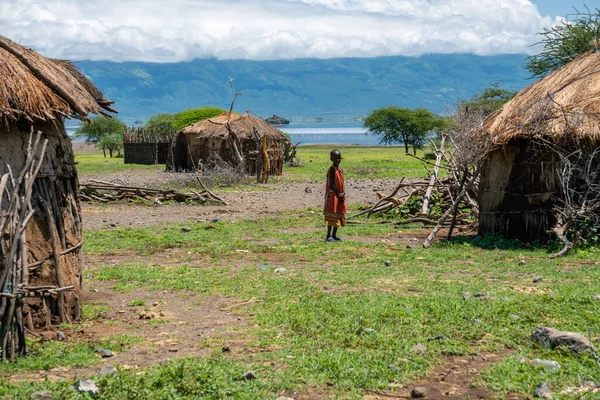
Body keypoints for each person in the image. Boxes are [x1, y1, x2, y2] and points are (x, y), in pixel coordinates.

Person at [324, 149, 346, 241]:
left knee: (338, 213)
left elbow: (342, 183)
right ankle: (328, 235)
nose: (338, 160)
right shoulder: (332, 169)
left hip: (340, 195)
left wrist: (343, 194)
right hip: (333, 195)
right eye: (336, 158)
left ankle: (334, 235)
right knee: (332, 214)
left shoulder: (340, 170)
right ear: (331, 159)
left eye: (339, 158)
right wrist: (339, 194)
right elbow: (332, 184)